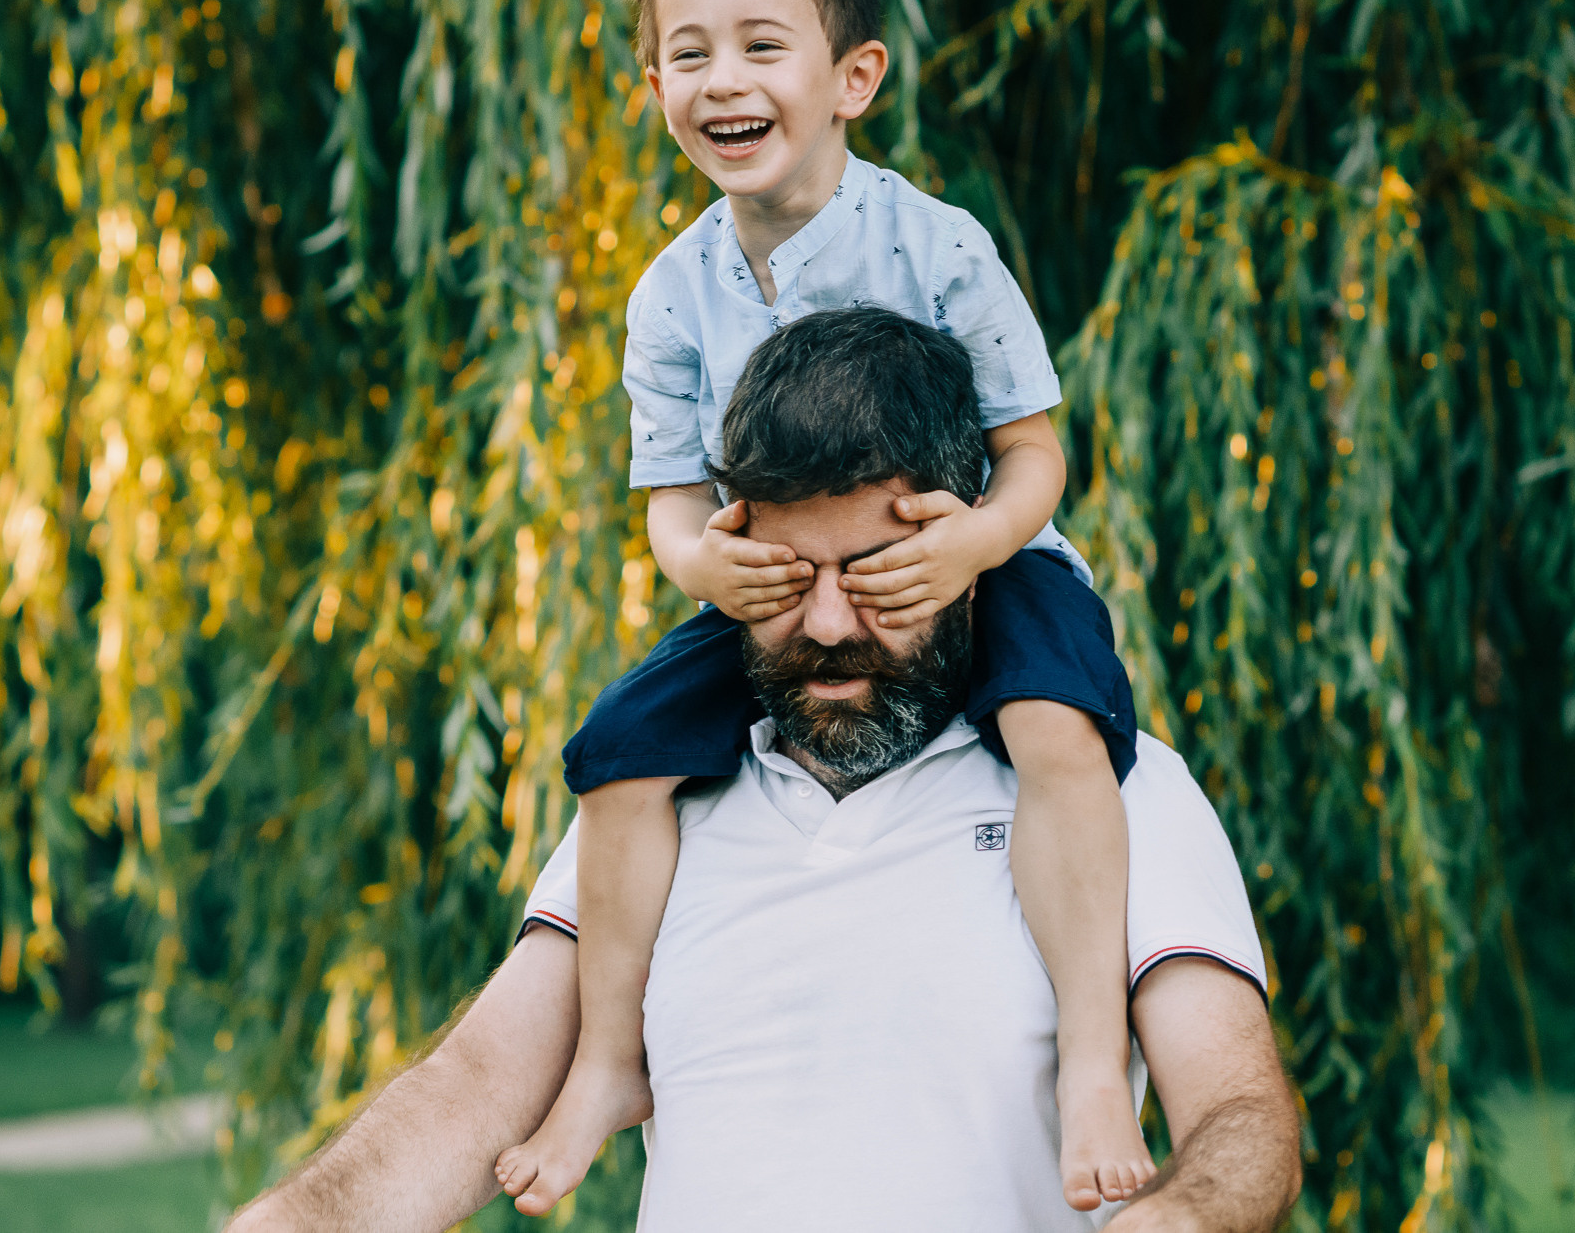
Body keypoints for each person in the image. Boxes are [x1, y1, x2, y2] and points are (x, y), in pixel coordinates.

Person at [228, 309, 1301, 1233]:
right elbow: (473, 1085)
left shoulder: (1110, 789)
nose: (828, 624)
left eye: (875, 575)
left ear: (968, 556)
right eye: (785, 579)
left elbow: (1238, 1111)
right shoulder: (653, 801)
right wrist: (293, 1220)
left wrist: (1179, 1213)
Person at [496, 0, 1147, 1217]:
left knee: (1056, 734)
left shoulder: (939, 247)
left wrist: (975, 545)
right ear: (654, 89)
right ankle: (611, 1057)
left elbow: (1037, 452)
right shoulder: (672, 295)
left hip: (969, 564)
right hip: (776, 588)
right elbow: (673, 491)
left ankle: (1093, 1054)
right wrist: (697, 566)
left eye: (760, 45)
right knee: (619, 755)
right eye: (688, 54)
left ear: (852, 76)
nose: (721, 80)